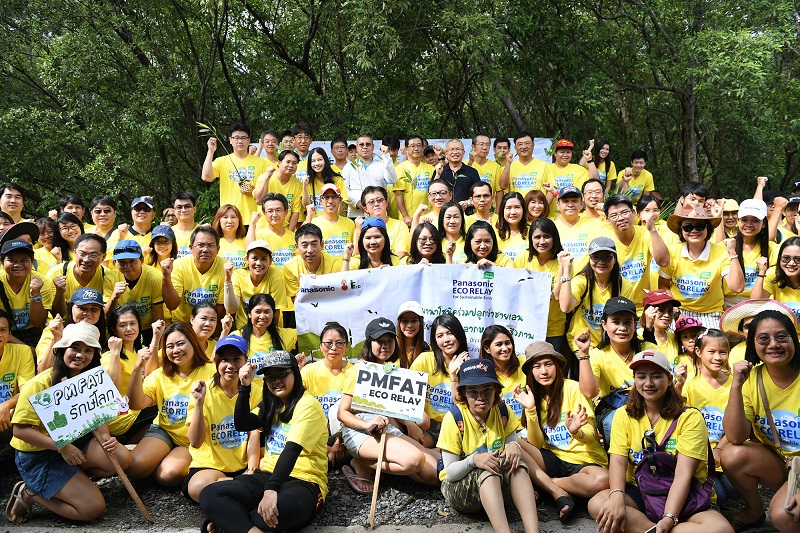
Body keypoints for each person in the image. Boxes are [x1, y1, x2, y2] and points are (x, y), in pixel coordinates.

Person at [587, 349, 732, 533]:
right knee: (598, 502)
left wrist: (669, 517)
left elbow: (683, 474)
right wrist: (616, 497)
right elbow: (618, 461)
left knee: (721, 529)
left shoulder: (690, 417)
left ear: (669, 380)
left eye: (656, 376)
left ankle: (653, 529)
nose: (648, 383)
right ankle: (655, 529)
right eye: (641, 377)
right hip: (641, 490)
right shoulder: (623, 414)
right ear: (634, 380)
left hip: (686, 494)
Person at [6, 323, 131, 524]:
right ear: (62, 349)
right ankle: (30, 493)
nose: (81, 355)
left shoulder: (90, 379)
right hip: (39, 455)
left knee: (121, 457)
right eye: (75, 348)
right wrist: (62, 446)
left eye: (88, 350)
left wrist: (107, 439)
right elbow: (20, 431)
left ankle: (71, 483)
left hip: (75, 442)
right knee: (92, 509)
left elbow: (97, 415)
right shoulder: (39, 383)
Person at [198, 350, 327, 533]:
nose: (276, 381)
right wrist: (244, 387)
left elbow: (291, 451)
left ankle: (232, 523)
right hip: (267, 475)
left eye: (283, 374)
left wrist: (270, 490)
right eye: (270, 377)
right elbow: (242, 424)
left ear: (295, 374)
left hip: (304, 481)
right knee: (209, 493)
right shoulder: (272, 404)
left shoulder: (308, 406)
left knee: (269, 514)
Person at [438, 358, 540, 533]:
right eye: (473, 391)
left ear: (496, 391)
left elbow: (511, 441)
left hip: (497, 488)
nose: (481, 397)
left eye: (487, 389)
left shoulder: (502, 410)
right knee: (488, 471)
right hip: (461, 489)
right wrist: (473, 460)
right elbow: (451, 473)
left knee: (517, 467)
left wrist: (514, 446)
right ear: (463, 393)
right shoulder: (454, 418)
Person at [339, 318, 439, 493]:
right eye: (380, 341)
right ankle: (363, 463)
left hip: (387, 428)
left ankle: (387, 462)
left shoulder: (390, 369)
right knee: (414, 460)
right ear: (369, 342)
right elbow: (342, 413)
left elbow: (393, 406)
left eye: (390, 341)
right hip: (361, 431)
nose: (385, 346)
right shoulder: (358, 370)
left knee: (433, 475)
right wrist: (367, 425)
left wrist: (409, 423)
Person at [722, 310, 800, 532]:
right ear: (753, 344)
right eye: (763, 338)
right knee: (732, 454)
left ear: (794, 339)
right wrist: (736, 385)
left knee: (786, 515)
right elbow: (735, 436)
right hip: (784, 463)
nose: (773, 344)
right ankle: (754, 511)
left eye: (781, 337)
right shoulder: (752, 378)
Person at [514, 341, 609, 509]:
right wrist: (531, 410)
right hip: (553, 459)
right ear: (531, 372)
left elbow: (590, 436)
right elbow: (536, 444)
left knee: (603, 480)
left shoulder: (573, 388)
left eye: (548, 364)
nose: (544, 371)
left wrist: (576, 432)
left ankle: (549, 485)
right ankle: (560, 490)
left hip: (584, 460)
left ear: (557, 366)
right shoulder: (531, 396)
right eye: (537, 366)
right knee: (513, 443)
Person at [126, 322, 214, 485]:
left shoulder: (212, 371)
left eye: (181, 343)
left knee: (168, 476)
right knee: (134, 468)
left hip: (190, 440)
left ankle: (158, 460)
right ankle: (150, 457)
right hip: (164, 431)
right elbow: (136, 404)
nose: (176, 350)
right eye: (170, 346)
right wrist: (137, 369)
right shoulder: (160, 374)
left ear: (193, 342)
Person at [183, 335, 261, 502]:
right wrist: (198, 403)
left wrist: (252, 469)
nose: (230, 365)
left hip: (244, 464)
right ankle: (239, 487)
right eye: (224, 360)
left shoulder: (254, 390)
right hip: (211, 467)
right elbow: (195, 442)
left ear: (246, 361)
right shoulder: (203, 390)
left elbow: (254, 434)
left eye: (236, 359)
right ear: (217, 362)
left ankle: (231, 491)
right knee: (197, 487)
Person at [576, 296, 655, 441]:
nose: (622, 328)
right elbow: (589, 392)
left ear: (635, 325)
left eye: (627, 322)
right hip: (613, 410)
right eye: (616, 322)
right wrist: (583, 354)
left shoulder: (648, 350)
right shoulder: (597, 355)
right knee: (613, 421)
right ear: (604, 324)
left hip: (650, 406)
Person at [677, 329, 738, 506]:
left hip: (723, 450)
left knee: (734, 491)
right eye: (711, 351)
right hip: (696, 453)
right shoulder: (688, 382)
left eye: (723, 352)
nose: (718, 357)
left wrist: (718, 449)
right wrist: (678, 385)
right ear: (698, 352)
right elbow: (674, 414)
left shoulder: (735, 383)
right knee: (719, 496)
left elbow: (736, 424)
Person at [662, 203, 744, 329]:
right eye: (688, 227)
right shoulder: (672, 251)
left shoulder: (720, 252)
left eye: (700, 226)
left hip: (710, 314)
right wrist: (676, 311)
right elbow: (663, 285)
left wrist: (732, 253)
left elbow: (737, 287)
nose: (694, 231)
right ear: (681, 230)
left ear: (708, 228)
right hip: (678, 310)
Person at [560, 237, 632, 352]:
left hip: (610, 346)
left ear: (615, 259)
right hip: (581, 343)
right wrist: (566, 272)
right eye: (595, 257)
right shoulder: (582, 281)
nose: (601, 262)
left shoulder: (623, 285)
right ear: (589, 259)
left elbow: (625, 318)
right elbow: (565, 307)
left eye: (607, 257)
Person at [103, 304, 162, 444]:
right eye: (123, 325)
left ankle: (131, 443)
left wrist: (156, 337)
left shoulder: (139, 351)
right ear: (114, 329)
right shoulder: (109, 356)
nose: (129, 329)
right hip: (120, 416)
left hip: (138, 409)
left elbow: (150, 375)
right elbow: (111, 392)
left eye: (133, 324)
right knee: (164, 406)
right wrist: (115, 353)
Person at [411, 314, 471, 447]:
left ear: (459, 334)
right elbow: (407, 395)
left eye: (450, 333)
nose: (446, 340)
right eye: (440, 336)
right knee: (418, 451)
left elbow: (461, 405)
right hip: (427, 427)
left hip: (454, 428)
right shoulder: (425, 359)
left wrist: (453, 375)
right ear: (435, 340)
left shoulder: (468, 364)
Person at [603, 194, 670, 312]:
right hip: (615, 308)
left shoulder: (646, 233)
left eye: (624, 212)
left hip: (644, 307)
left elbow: (664, 261)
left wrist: (652, 230)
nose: (620, 218)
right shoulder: (605, 241)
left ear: (634, 212)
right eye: (614, 215)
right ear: (607, 220)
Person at [300, 321, 353, 466]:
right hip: (316, 432)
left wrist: (339, 441)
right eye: (328, 343)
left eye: (339, 343)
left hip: (345, 433)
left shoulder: (354, 372)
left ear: (346, 347)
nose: (334, 348)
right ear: (320, 346)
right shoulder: (308, 371)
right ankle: (332, 456)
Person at [514, 218, 566, 351]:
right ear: (531, 239)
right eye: (537, 237)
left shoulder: (563, 261)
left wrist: (562, 268)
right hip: (526, 325)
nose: (542, 242)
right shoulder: (523, 256)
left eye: (546, 237)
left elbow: (557, 295)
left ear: (554, 238)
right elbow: (512, 288)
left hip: (553, 328)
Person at [202, 122, 268, 224]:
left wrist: (253, 192)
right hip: (229, 219)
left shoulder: (262, 162)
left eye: (243, 138)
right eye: (236, 138)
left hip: (255, 218)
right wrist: (211, 151)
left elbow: (267, 191)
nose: (240, 141)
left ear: (249, 140)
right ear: (230, 140)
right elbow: (206, 177)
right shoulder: (221, 161)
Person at [161, 226, 226, 325]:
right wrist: (166, 277)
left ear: (218, 249)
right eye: (200, 245)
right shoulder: (179, 265)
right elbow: (172, 305)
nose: (205, 249)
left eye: (210, 245)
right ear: (191, 248)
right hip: (182, 325)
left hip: (210, 326)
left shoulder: (225, 268)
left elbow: (220, 309)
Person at [46, 233, 121, 318]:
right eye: (82, 254)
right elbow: (56, 314)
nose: (86, 260)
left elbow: (107, 315)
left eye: (93, 255)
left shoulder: (108, 276)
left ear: (103, 257)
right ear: (74, 252)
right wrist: (59, 293)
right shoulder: (56, 274)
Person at [36, 287, 109, 372]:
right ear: (71, 309)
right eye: (82, 308)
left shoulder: (106, 333)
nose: (87, 313)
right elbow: (43, 370)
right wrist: (56, 338)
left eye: (94, 309)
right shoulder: (54, 330)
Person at [107, 239, 164, 345]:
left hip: (148, 328)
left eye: (132, 261)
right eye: (122, 262)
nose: (127, 266)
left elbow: (158, 314)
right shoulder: (110, 278)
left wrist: (158, 341)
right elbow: (107, 315)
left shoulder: (155, 277)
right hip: (122, 329)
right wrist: (114, 297)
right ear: (115, 262)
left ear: (142, 260)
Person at [0, 240, 53, 346]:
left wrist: (35, 295)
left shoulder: (42, 282)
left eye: (24, 260)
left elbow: (38, 323)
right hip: (4, 333)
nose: (17, 265)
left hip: (33, 332)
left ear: (32, 262)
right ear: (2, 262)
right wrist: (27, 349)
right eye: (11, 260)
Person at [225, 239, 288, 331]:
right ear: (247, 259)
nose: (259, 263)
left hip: (269, 328)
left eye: (264, 259)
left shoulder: (275, 275)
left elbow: (276, 310)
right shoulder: (238, 275)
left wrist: (271, 334)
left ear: (270, 261)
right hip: (244, 329)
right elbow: (232, 309)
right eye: (254, 258)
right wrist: (228, 281)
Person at [0, 309, 35, 456]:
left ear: (9, 334)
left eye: (2, 330)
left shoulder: (22, 351)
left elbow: (27, 391)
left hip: (12, 416)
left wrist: (6, 405)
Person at [282, 224, 343, 306]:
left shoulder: (334, 264)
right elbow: (296, 301)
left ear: (322, 245)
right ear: (297, 247)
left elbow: (337, 296)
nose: (310, 250)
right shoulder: (290, 267)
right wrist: (306, 286)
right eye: (304, 245)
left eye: (314, 244)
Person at [234, 293, 297, 372]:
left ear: (273, 314)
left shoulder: (284, 334)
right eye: (258, 312)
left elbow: (308, 330)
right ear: (249, 314)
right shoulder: (236, 337)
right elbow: (219, 360)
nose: (262, 316)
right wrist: (224, 332)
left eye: (267, 312)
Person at [752, 235, 800, 333]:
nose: (791, 263)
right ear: (779, 259)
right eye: (786, 258)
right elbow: (755, 302)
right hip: (781, 336)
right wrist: (761, 272)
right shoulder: (773, 274)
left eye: (798, 259)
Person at [343, 134, 397, 218]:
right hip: (356, 214)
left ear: (373, 147)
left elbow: (392, 180)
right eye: (361, 145)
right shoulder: (348, 167)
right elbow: (344, 189)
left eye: (368, 144)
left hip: (378, 213)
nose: (365, 147)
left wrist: (386, 156)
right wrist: (357, 202)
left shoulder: (382, 164)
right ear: (357, 147)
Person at [553, 187, 605, 272]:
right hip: (558, 277)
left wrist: (607, 212)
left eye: (574, 201)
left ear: (581, 204)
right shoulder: (551, 228)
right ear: (558, 205)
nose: (570, 204)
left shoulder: (596, 225)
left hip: (586, 277)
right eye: (565, 201)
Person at [479, 325, 526, 419]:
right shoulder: (481, 372)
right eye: (499, 344)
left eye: (507, 343)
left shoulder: (525, 363)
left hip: (527, 425)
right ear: (487, 349)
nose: (505, 348)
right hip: (498, 426)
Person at [253, 149, 303, 231]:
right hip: (264, 229)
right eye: (288, 162)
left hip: (285, 230)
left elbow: (295, 211)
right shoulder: (264, 177)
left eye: (294, 163)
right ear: (279, 162)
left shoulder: (298, 184)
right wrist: (267, 178)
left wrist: (289, 233)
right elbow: (259, 201)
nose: (291, 165)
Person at [303, 183, 355, 259]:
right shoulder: (313, 223)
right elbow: (302, 243)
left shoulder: (350, 223)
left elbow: (355, 251)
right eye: (326, 197)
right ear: (320, 200)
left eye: (334, 197)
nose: (330, 201)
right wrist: (309, 217)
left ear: (340, 200)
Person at [394, 135, 436, 227]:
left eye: (419, 145)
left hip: (428, 217)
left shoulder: (431, 168)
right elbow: (398, 194)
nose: (416, 148)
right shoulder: (400, 169)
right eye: (413, 146)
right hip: (409, 218)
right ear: (406, 149)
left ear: (423, 148)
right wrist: (405, 216)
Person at [498, 131, 549, 205]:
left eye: (527, 143)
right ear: (515, 148)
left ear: (533, 145)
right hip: (516, 209)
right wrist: (508, 164)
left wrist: (543, 207)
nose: (524, 147)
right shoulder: (508, 167)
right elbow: (502, 186)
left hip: (537, 209)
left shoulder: (545, 165)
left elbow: (551, 191)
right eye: (520, 144)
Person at [358, 186, 410, 258]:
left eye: (380, 200)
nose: (376, 204)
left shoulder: (400, 226)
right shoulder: (361, 227)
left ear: (386, 203)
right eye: (371, 202)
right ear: (365, 208)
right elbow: (357, 255)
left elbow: (401, 253)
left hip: (393, 264)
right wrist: (358, 231)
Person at [249, 193, 296, 268]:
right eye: (270, 211)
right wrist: (252, 223)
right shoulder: (258, 237)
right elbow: (249, 253)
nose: (274, 215)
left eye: (278, 210)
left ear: (286, 212)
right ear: (264, 213)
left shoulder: (294, 237)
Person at [640, 289, 683, 369]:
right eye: (661, 310)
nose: (666, 315)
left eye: (670, 311)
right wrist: (648, 327)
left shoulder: (673, 337)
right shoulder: (638, 336)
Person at [302, 147, 349, 213]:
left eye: (319, 160)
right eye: (313, 161)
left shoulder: (338, 180)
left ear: (325, 160)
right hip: (314, 219)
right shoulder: (308, 181)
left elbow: (341, 204)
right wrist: (305, 186)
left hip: (333, 218)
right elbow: (306, 206)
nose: (316, 163)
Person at [436, 139, 482, 205]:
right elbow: (432, 192)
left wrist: (468, 203)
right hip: (444, 210)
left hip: (466, 210)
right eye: (452, 149)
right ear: (446, 154)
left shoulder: (472, 172)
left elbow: (479, 194)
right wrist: (438, 174)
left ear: (463, 152)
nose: (455, 152)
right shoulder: (440, 170)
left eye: (458, 149)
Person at [495, 192, 528, 262]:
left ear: (523, 209)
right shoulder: (493, 233)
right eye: (508, 208)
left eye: (517, 207)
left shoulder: (533, 231)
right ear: (502, 210)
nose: (513, 212)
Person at [396, 301, 429, 367]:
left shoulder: (427, 350)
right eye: (405, 321)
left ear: (421, 322)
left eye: (414, 321)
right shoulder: (390, 347)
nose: (409, 325)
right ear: (399, 323)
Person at [171, 192, 200, 259]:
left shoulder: (203, 231)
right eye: (179, 207)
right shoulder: (169, 232)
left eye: (187, 206)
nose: (183, 210)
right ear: (174, 211)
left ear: (195, 209)